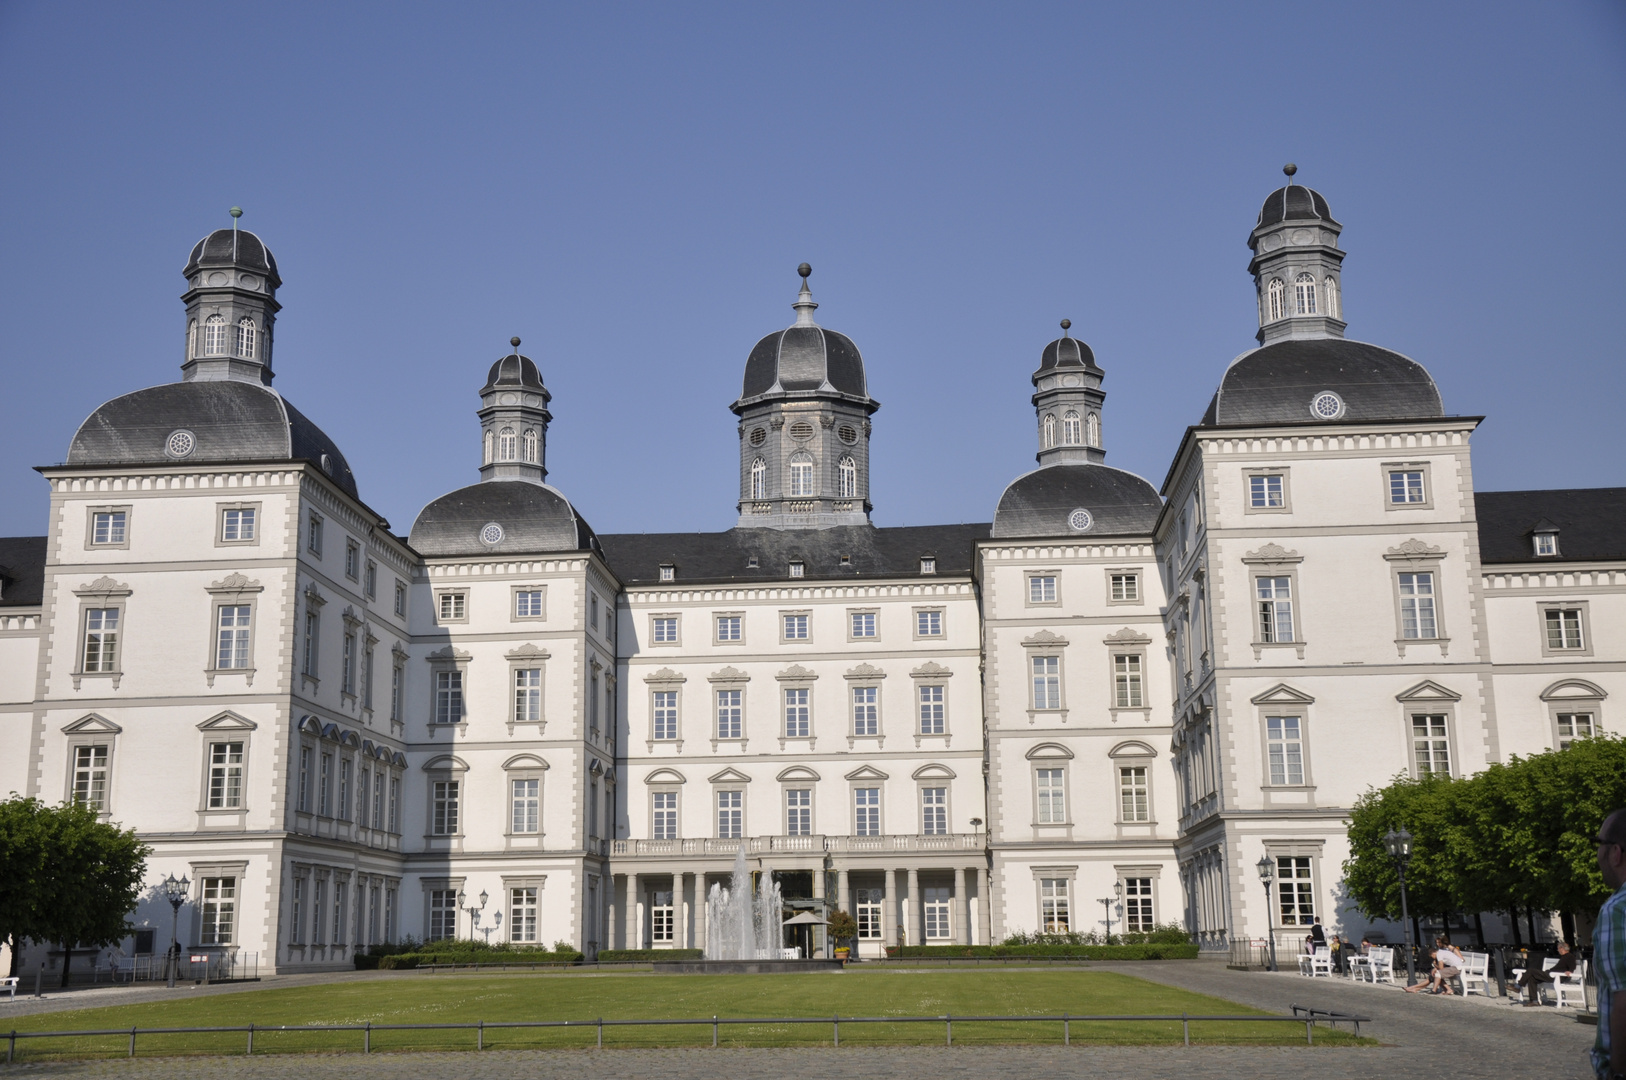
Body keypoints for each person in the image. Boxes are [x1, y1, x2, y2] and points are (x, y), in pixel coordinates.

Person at [1591, 808, 1626, 1080]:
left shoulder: (1617, 909)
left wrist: (1616, 1071)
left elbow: (1623, 1000)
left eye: (1600, 844)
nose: (1598, 855)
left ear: (1616, 852)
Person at [1514, 941, 1578, 1007]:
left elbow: (1573, 965)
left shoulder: (1570, 956)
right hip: (1551, 974)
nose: (1558, 950)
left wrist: (1570, 971)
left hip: (1555, 977)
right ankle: (1534, 1001)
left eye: (1558, 948)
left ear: (1562, 948)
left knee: (1530, 970)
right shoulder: (1564, 957)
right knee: (1532, 978)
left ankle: (1518, 986)